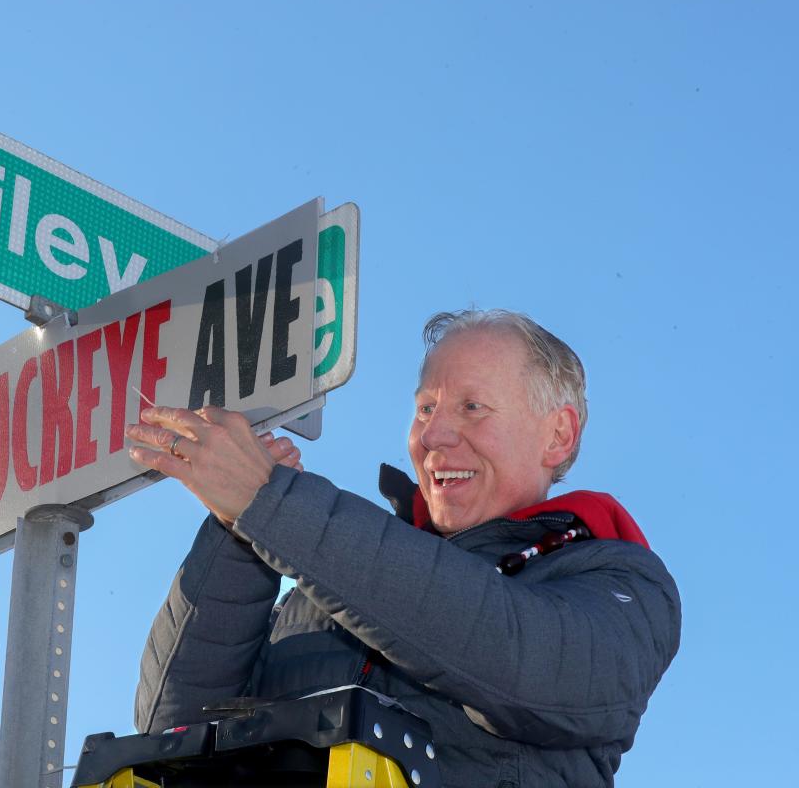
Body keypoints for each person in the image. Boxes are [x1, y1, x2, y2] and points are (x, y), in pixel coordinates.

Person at [124, 309, 681, 788]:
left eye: (472, 408)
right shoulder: (317, 595)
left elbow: (512, 653)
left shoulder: (620, 581)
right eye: (425, 409)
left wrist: (270, 503)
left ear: (558, 435)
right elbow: (172, 733)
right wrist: (237, 529)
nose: (434, 435)